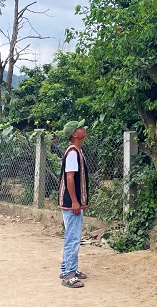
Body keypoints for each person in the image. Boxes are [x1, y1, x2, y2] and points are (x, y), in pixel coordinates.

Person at [58, 119, 89, 288]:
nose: (84, 129)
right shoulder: (73, 153)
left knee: (72, 236)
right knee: (73, 238)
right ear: (75, 134)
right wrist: (75, 201)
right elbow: (70, 178)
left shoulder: (77, 151)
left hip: (72, 203)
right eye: (80, 127)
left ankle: (67, 269)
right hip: (71, 203)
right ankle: (69, 276)